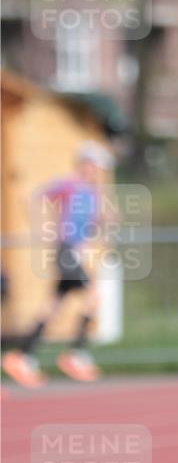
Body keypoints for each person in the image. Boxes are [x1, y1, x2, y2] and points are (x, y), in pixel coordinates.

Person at [1, 141, 114, 388]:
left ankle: (22, 357)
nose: (98, 171)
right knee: (93, 296)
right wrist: (42, 228)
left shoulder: (92, 193)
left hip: (76, 253)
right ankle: (74, 354)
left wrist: (105, 220)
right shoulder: (69, 184)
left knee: (52, 305)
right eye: (95, 166)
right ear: (85, 164)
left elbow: (89, 225)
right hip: (66, 251)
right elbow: (34, 197)